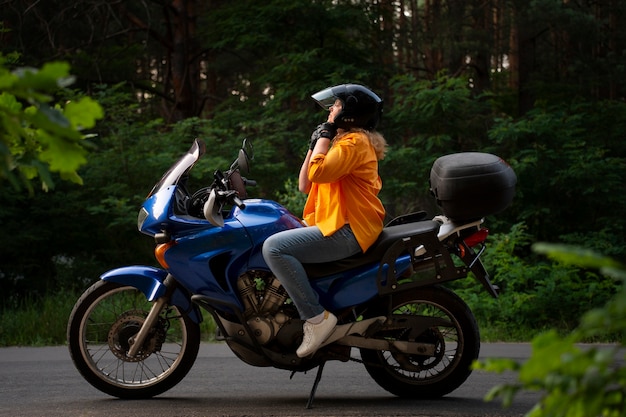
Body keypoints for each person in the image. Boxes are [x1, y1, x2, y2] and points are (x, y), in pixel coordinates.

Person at [262, 84, 387, 357]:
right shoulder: (343, 143)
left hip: (350, 230)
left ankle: (317, 318)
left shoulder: (355, 144)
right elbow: (305, 183)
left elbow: (317, 173)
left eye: (337, 106)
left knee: (274, 248)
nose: (331, 110)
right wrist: (317, 141)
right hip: (338, 225)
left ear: (350, 113)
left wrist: (325, 135)